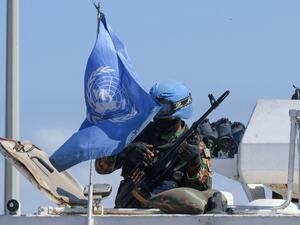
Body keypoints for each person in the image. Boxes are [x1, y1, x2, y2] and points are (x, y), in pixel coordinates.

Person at [95, 80, 216, 211]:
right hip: (128, 213)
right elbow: (101, 168)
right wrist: (124, 152)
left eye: (163, 108)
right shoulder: (135, 134)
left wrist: (194, 165)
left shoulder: (195, 145)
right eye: (155, 107)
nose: (158, 114)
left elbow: (202, 191)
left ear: (180, 108)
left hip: (170, 217)